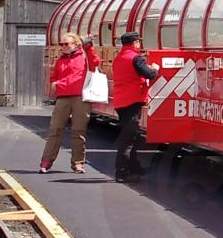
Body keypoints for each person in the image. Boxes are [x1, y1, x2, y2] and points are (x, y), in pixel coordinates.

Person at [40, 31, 99, 174]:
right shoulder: (60, 60)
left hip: (80, 97)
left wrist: (89, 47)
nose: (63, 46)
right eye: (62, 44)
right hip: (63, 97)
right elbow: (54, 77)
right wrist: (55, 84)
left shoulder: (84, 56)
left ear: (76, 44)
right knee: (55, 129)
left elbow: (95, 63)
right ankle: (46, 161)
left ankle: (77, 163)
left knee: (79, 131)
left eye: (66, 44)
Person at [108, 31, 160, 183]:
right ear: (135, 43)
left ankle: (134, 167)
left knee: (133, 135)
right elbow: (150, 74)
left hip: (121, 101)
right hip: (133, 100)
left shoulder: (118, 58)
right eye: (138, 42)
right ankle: (122, 173)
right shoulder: (136, 58)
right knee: (128, 139)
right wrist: (155, 68)